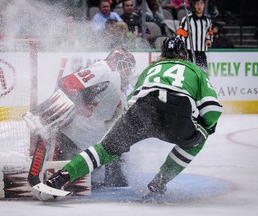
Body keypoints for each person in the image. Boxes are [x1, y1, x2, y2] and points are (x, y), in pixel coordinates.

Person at [40, 37, 223, 199]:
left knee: (104, 150)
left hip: (142, 110)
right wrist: (204, 127)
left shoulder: (151, 70)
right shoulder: (195, 70)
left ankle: (60, 177)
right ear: (184, 56)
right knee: (198, 138)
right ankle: (160, 181)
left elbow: (129, 105)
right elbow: (212, 110)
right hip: (178, 115)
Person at [24, 48, 136, 189]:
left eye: (130, 67)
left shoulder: (121, 93)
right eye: (126, 65)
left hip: (86, 144)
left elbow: (116, 125)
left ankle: (110, 180)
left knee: (118, 146)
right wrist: (58, 112)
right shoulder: (106, 69)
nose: (128, 71)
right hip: (71, 137)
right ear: (115, 61)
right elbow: (69, 83)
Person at [176, 0, 213, 71]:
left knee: (203, 74)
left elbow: (209, 32)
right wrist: (182, 49)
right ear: (194, 5)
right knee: (189, 73)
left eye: (201, 4)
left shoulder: (207, 20)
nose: (199, 6)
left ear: (204, 5)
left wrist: (208, 39)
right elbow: (180, 35)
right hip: (189, 52)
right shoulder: (187, 19)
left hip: (202, 53)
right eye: (197, 4)